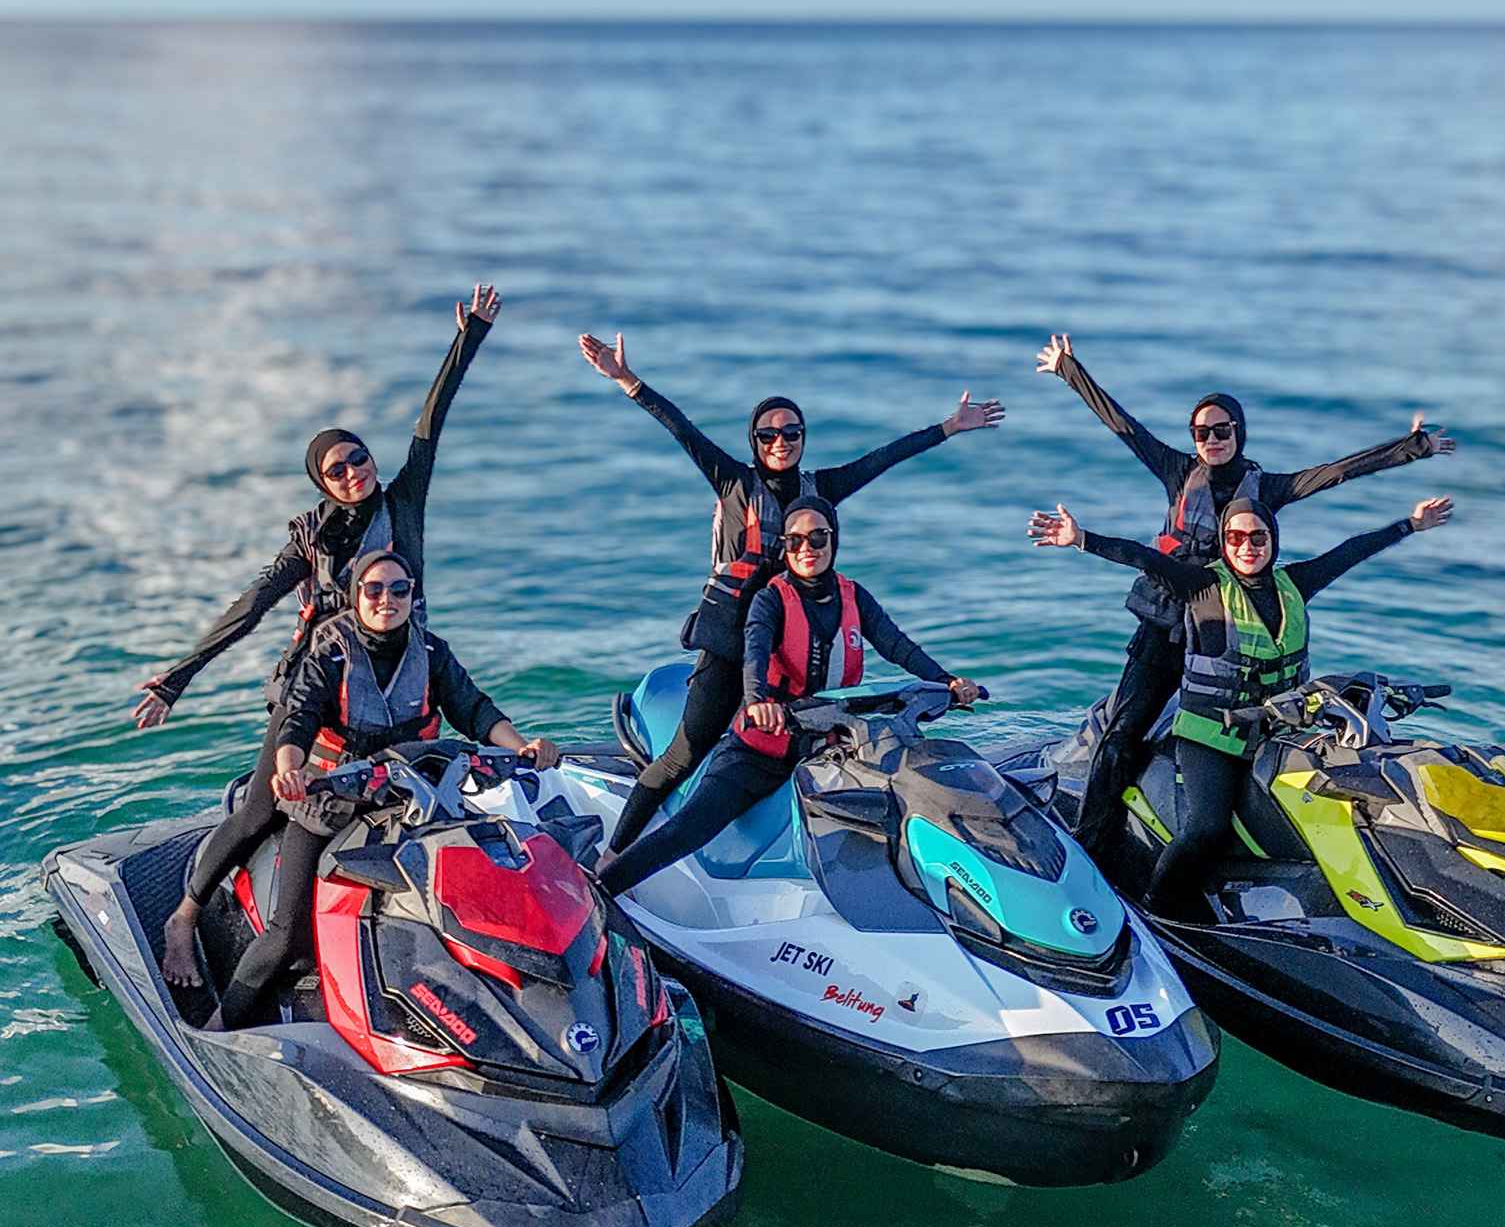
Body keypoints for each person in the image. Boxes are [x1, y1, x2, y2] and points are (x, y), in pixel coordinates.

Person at [577, 328, 1003, 853]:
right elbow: (681, 429)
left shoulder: (820, 491)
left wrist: (948, 427)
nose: (780, 443)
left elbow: (881, 458)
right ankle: (614, 850)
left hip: (792, 652)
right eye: (767, 435)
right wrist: (626, 380)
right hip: (733, 646)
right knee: (683, 756)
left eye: (791, 433)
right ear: (753, 442)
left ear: (803, 438)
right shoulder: (732, 481)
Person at [1031, 334, 1453, 856]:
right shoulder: (1179, 471)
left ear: (1239, 432)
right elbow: (1122, 426)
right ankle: (1090, 844)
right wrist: (1069, 370)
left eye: (1222, 429)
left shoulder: (1267, 487)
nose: (1212, 439)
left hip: (1231, 635)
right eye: (1202, 432)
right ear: (1194, 438)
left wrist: (1411, 450)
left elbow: (1337, 473)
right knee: (1122, 737)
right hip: (1169, 626)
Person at [164, 544, 561, 1025]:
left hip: (407, 801)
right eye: (374, 590)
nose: (386, 599)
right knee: (288, 936)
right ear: (356, 596)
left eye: (400, 589)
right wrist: (290, 768)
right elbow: (299, 718)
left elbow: (475, 708)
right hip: (329, 799)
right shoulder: (331, 653)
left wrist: (523, 748)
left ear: (413, 597)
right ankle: (219, 1025)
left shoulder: (431, 651)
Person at [1028, 491, 1454, 905]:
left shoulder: (1295, 583)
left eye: (1257, 537)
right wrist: (1081, 539)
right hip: (1210, 735)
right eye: (1235, 537)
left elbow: (1350, 551)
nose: (1246, 547)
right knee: (1206, 828)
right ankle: (1159, 903)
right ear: (1223, 542)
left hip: (1277, 732)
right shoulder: (1203, 585)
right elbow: (1143, 557)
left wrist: (1411, 525)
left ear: (1272, 540)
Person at [135, 283, 504, 733]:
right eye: (337, 471)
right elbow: (253, 605)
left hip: (399, 662)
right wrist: (177, 679)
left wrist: (470, 338)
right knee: (263, 800)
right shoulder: (312, 538)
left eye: (359, 458)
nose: (354, 473)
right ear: (321, 483)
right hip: (325, 676)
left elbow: (431, 423)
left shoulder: (403, 504)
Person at [595, 496, 982, 899]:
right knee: (691, 827)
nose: (807, 550)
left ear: (834, 540)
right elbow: (756, 648)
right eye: (795, 541)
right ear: (784, 546)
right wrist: (758, 700)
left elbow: (897, 645)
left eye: (818, 538)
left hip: (827, 750)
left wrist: (947, 681)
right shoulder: (772, 598)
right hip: (761, 750)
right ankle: (605, 887)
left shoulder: (854, 595)